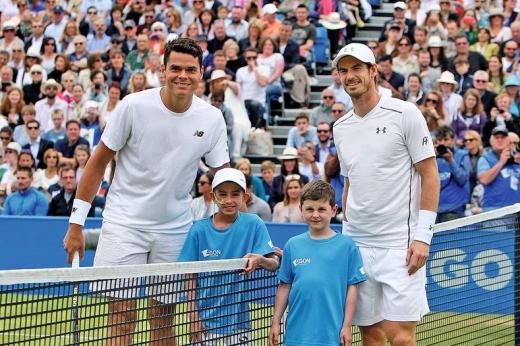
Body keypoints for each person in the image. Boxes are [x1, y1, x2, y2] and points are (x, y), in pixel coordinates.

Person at [63, 38, 230, 345]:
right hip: (124, 225)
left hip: (175, 230)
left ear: (200, 74)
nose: (183, 75)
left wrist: (245, 231)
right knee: (122, 319)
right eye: (175, 68)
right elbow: (97, 164)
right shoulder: (132, 106)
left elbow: (224, 178)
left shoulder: (212, 118)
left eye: (190, 69)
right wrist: (76, 225)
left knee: (164, 322)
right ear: (162, 70)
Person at [332, 43, 440, 345]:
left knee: (401, 337)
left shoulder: (405, 113)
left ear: (373, 71)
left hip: (400, 245)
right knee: (370, 334)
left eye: (357, 68)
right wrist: (346, 234)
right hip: (358, 244)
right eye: (344, 70)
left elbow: (430, 175)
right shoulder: (340, 127)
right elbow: (349, 181)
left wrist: (423, 237)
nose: (350, 76)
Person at [178, 168, 278, 344]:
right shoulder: (198, 230)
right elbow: (190, 276)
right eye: (222, 194)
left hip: (239, 322)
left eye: (235, 194)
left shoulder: (254, 224)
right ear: (213, 196)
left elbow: (274, 263)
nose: (228, 200)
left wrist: (260, 260)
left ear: (244, 196)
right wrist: (193, 317)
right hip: (204, 323)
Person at [269, 180, 366, 346]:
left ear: (334, 210)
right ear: (301, 210)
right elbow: (285, 286)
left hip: (331, 335)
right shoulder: (292, 245)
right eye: (309, 209)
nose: (315, 214)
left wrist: (347, 325)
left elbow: (352, 287)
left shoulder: (347, 246)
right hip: (295, 335)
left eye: (321, 209)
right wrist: (275, 322)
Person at [477, 126, 520, 211]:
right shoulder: (485, 158)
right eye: (496, 137)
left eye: (503, 137)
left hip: (516, 209)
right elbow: (484, 180)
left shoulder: (516, 158)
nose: (500, 140)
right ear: (491, 141)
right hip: (494, 210)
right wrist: (501, 162)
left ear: (508, 141)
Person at [434, 126, 471, 222]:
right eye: (439, 140)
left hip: (454, 210)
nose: (442, 143)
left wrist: (451, 160)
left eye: (446, 139)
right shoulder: (433, 157)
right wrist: (430, 157)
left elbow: (462, 179)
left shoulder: (462, 155)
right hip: (435, 210)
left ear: (453, 140)